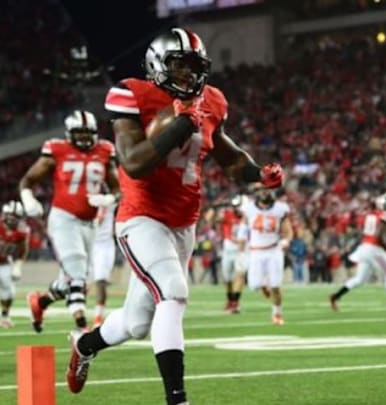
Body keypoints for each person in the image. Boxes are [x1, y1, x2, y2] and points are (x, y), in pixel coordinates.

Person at [65, 28, 284, 405]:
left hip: (184, 223)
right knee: (174, 292)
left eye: (194, 67)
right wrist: (182, 122)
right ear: (157, 64)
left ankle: (84, 345)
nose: (188, 75)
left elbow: (227, 155)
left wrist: (258, 174)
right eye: (179, 66)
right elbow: (133, 164)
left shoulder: (211, 101)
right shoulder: (132, 93)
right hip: (141, 217)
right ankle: (177, 399)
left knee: (136, 323)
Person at [20, 110, 121, 333]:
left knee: (73, 278)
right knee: (77, 271)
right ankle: (81, 325)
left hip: (90, 223)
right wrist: (28, 197)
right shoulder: (56, 150)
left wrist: (108, 197)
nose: (85, 137)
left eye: (88, 133)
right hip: (64, 218)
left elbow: (117, 188)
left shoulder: (105, 150)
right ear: (69, 134)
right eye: (79, 133)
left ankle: (41, 301)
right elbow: (27, 180)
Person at [329, 193, 386, 311]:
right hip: (374, 249)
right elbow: (378, 235)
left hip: (365, 247)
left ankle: (335, 297)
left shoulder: (370, 214)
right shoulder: (385, 215)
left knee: (360, 279)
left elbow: (365, 231)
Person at [239, 189, 293, 325]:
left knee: (276, 285)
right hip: (255, 251)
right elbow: (243, 229)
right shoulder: (249, 208)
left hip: (273, 250)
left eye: (267, 190)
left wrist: (286, 241)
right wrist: (240, 249)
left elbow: (288, 231)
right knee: (254, 285)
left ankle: (277, 314)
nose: (264, 193)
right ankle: (263, 285)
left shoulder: (280, 209)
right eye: (262, 190)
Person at [217, 204, 249, 313]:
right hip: (228, 249)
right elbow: (212, 219)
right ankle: (230, 299)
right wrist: (216, 209)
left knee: (239, 275)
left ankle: (235, 302)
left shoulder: (249, 217)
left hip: (242, 251)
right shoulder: (227, 214)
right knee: (227, 279)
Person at [90, 201, 117, 327]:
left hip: (104, 245)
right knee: (76, 283)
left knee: (100, 282)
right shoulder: (87, 195)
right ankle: (43, 300)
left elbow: (120, 193)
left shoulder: (110, 197)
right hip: (87, 241)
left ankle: (97, 319)